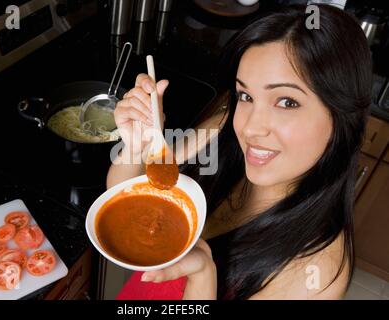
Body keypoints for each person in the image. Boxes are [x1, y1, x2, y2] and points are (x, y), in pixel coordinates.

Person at [107, 4, 372, 299]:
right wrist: (139, 145)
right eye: (246, 95)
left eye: (287, 102)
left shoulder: (316, 274)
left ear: (341, 117)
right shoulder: (224, 128)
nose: (250, 128)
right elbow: (124, 196)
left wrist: (203, 279)